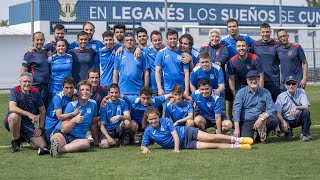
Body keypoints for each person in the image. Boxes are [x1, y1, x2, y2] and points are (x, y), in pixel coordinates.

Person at [140, 106, 253, 153]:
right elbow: (143, 145)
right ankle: (240, 146)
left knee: (211, 138)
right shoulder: (148, 131)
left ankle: (240, 140)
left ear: (158, 116)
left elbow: (174, 135)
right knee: (212, 145)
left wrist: (176, 149)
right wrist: (144, 148)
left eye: (155, 118)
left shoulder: (165, 120)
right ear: (147, 120)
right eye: (151, 119)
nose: (154, 121)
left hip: (186, 132)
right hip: (185, 145)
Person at [50, 80, 98, 158]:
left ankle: (58, 150)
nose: (84, 92)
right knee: (56, 138)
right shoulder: (71, 105)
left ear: (90, 91)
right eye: (82, 90)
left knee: (86, 143)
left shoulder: (93, 104)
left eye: (87, 90)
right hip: (64, 134)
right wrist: (73, 120)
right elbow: (63, 129)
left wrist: (96, 141)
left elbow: (93, 123)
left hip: (77, 138)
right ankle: (56, 147)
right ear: (78, 92)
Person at [220, 18, 254, 120]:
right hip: (231, 75)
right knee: (231, 102)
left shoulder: (245, 38)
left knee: (248, 100)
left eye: (234, 26)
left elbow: (256, 46)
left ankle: (247, 121)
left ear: (237, 27)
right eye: (230, 27)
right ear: (227, 28)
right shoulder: (224, 41)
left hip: (245, 74)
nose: (232, 28)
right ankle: (231, 125)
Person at [4, 72, 46, 153]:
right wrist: (29, 114)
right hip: (13, 122)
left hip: (27, 125)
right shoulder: (15, 90)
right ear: (20, 82)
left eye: (29, 81)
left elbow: (42, 110)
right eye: (25, 81)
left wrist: (40, 128)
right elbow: (12, 108)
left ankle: (23, 137)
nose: (27, 84)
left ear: (32, 82)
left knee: (42, 145)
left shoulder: (36, 92)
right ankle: (15, 141)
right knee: (14, 116)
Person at [232, 70, 279, 143]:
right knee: (248, 141)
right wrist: (236, 129)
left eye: (255, 79)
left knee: (274, 121)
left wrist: (261, 118)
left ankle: (261, 136)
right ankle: (249, 133)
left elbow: (271, 109)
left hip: (261, 119)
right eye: (251, 79)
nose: (253, 81)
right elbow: (236, 111)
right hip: (247, 121)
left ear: (259, 79)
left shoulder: (265, 92)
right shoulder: (241, 93)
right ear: (247, 81)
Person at [41, 77, 77, 155]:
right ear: (62, 87)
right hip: (52, 125)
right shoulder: (58, 97)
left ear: (74, 87)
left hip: (62, 122)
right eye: (66, 88)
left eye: (71, 88)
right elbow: (59, 116)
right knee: (55, 139)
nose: (69, 90)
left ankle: (51, 149)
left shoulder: (75, 93)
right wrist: (73, 114)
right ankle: (50, 149)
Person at [99, 84, 137, 148]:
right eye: (112, 92)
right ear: (108, 93)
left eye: (116, 92)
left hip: (118, 128)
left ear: (119, 93)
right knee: (104, 146)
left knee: (127, 122)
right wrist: (108, 138)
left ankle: (122, 140)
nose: (114, 95)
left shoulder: (123, 103)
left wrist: (119, 116)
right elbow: (101, 125)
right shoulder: (104, 105)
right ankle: (105, 141)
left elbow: (128, 117)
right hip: (107, 129)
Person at [275, 76, 311, 142]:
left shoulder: (301, 92)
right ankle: (288, 132)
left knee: (306, 112)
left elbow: (306, 106)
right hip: (286, 120)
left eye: (293, 84)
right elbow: (277, 113)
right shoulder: (281, 96)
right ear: (285, 85)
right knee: (287, 134)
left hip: (298, 118)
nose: (291, 86)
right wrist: (283, 122)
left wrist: (296, 107)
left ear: (297, 84)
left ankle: (304, 134)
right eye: (288, 84)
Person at [250, 23, 281, 102]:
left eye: (267, 32)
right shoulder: (255, 44)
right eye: (263, 32)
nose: (265, 34)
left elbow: (281, 59)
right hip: (259, 79)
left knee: (275, 103)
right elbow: (251, 60)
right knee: (261, 103)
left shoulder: (277, 44)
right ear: (260, 33)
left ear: (270, 32)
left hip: (274, 79)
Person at [155, 29, 190, 96]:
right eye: (170, 39)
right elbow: (157, 72)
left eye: (174, 38)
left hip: (181, 90)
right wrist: (159, 88)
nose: (172, 40)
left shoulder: (183, 53)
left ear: (177, 39)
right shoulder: (161, 53)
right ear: (167, 40)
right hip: (168, 90)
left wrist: (186, 90)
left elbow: (186, 73)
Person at [21, 31, 50, 108]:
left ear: (44, 40)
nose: (39, 42)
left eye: (41, 40)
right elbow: (23, 72)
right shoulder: (29, 54)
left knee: (43, 111)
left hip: (45, 87)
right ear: (33, 41)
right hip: (34, 87)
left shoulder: (46, 52)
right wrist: (24, 87)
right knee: (31, 111)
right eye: (37, 40)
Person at [87, 68, 108, 144]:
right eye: (92, 78)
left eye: (96, 78)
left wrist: (106, 98)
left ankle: (97, 140)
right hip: (84, 117)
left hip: (97, 118)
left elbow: (114, 93)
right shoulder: (82, 89)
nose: (94, 80)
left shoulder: (102, 89)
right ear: (88, 78)